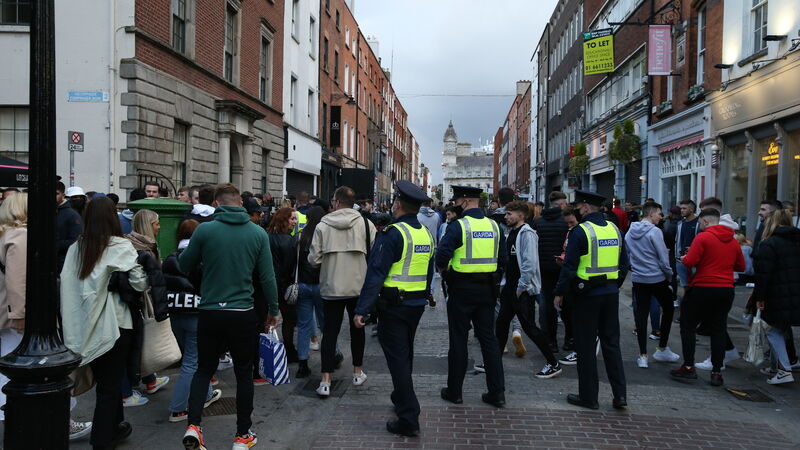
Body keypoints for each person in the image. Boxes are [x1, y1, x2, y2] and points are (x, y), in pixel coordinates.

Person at [179, 183, 279, 450]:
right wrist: (273, 309)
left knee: (203, 369)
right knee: (244, 373)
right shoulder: (257, 233)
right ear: (241, 204)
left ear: (216, 204)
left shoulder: (205, 230)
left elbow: (184, 264)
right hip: (242, 312)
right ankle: (242, 435)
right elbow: (267, 277)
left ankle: (194, 426)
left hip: (210, 311)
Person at [61, 197, 148, 448]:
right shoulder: (120, 246)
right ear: (113, 218)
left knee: (107, 381)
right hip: (115, 325)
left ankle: (115, 427)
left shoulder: (76, 248)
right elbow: (139, 283)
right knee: (110, 387)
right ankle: (102, 440)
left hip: (82, 325)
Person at [353, 181, 435, 437]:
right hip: (415, 305)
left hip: (393, 306)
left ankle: (409, 416)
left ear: (397, 204)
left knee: (397, 359)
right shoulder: (425, 234)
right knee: (405, 354)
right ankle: (401, 398)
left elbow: (376, 273)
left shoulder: (392, 233)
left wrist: (362, 309)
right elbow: (429, 270)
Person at [553, 190, 628, 410]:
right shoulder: (614, 229)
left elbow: (569, 267)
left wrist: (559, 292)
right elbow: (624, 264)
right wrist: (613, 284)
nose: (576, 210)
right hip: (610, 294)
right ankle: (620, 396)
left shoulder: (581, 231)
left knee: (585, 346)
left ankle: (589, 396)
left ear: (585, 207)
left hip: (586, 295)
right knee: (611, 344)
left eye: (578, 207)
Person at [436, 185, 506, 408]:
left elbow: (441, 255)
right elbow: (503, 260)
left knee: (458, 340)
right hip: (487, 290)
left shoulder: (459, 226)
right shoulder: (494, 226)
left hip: (461, 289)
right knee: (489, 340)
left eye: (457, 201)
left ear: (465, 201)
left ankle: (455, 392)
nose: (456, 205)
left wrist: (446, 274)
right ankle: (497, 393)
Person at [309, 186, 376, 397]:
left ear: (336, 202)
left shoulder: (323, 225)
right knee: (358, 330)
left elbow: (313, 259)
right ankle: (357, 372)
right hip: (358, 287)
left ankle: (326, 380)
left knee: (330, 333)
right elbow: (374, 255)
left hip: (332, 287)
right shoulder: (366, 224)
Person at [670, 209, 745, 387]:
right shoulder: (733, 241)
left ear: (704, 222)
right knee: (718, 328)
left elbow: (690, 261)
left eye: (700, 223)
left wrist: (685, 257)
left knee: (688, 325)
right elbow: (741, 266)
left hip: (703, 286)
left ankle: (688, 366)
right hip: (725, 289)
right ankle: (717, 372)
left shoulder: (703, 237)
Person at [163, 219, 222, 422]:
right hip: (196, 314)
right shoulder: (202, 257)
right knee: (191, 362)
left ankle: (206, 394)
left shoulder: (170, 258)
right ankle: (178, 408)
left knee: (195, 359)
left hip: (175, 314)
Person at [495, 201, 562, 379]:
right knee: (501, 325)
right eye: (506, 214)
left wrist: (521, 287)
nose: (506, 217)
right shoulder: (512, 233)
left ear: (521, 215)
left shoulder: (527, 233)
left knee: (530, 328)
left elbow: (530, 263)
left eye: (509, 214)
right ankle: (492, 363)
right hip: (510, 287)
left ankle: (553, 363)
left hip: (521, 290)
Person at [122, 209, 170, 407]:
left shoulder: (138, 243)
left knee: (142, 341)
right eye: (156, 224)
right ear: (148, 226)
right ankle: (126, 392)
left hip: (141, 301)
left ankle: (149, 379)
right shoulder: (142, 248)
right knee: (133, 346)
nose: (159, 227)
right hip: (138, 301)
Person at [624, 202, 680, 368]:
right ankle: (662, 348)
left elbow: (628, 254)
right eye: (659, 214)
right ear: (651, 213)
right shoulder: (655, 232)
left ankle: (643, 355)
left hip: (639, 279)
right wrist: (669, 275)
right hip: (656, 278)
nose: (661, 217)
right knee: (668, 308)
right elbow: (663, 257)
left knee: (641, 314)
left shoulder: (630, 232)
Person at [753, 209, 800, 384]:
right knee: (781, 329)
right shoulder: (796, 241)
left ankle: (784, 369)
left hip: (777, 294)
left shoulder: (769, 243)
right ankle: (779, 367)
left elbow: (763, 274)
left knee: (773, 330)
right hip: (794, 293)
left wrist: (759, 297)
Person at [532, 191, 570, 353]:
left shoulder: (537, 223)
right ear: (561, 205)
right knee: (566, 304)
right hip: (563, 269)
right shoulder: (566, 223)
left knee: (547, 304)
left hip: (544, 269)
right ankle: (569, 340)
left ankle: (550, 341)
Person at [0, 194, 27, 421]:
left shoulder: (5, 234)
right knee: (19, 362)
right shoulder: (20, 235)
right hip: (16, 313)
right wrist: (19, 314)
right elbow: (18, 280)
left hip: (5, 307)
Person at [295, 206, 326, 378]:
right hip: (321, 285)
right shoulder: (325, 236)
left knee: (304, 326)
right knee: (325, 324)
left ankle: (302, 363)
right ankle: (333, 355)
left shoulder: (300, 237)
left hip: (303, 284)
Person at [267, 207, 299, 363]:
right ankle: (289, 351)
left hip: (269, 284)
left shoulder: (267, 237)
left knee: (267, 319)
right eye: (292, 218)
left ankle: (265, 350)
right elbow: (289, 267)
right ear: (283, 220)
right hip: (284, 286)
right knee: (288, 321)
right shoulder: (290, 241)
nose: (295, 222)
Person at [56, 181, 83, 273]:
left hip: (63, 263)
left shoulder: (72, 215)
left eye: (56, 194)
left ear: (63, 195)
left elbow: (76, 240)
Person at [675, 199, 699, 294]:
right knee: (685, 285)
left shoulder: (699, 223)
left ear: (691, 209)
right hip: (681, 260)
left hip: (695, 261)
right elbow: (678, 241)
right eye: (681, 208)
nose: (681, 210)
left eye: (684, 208)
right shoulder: (680, 223)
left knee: (695, 286)